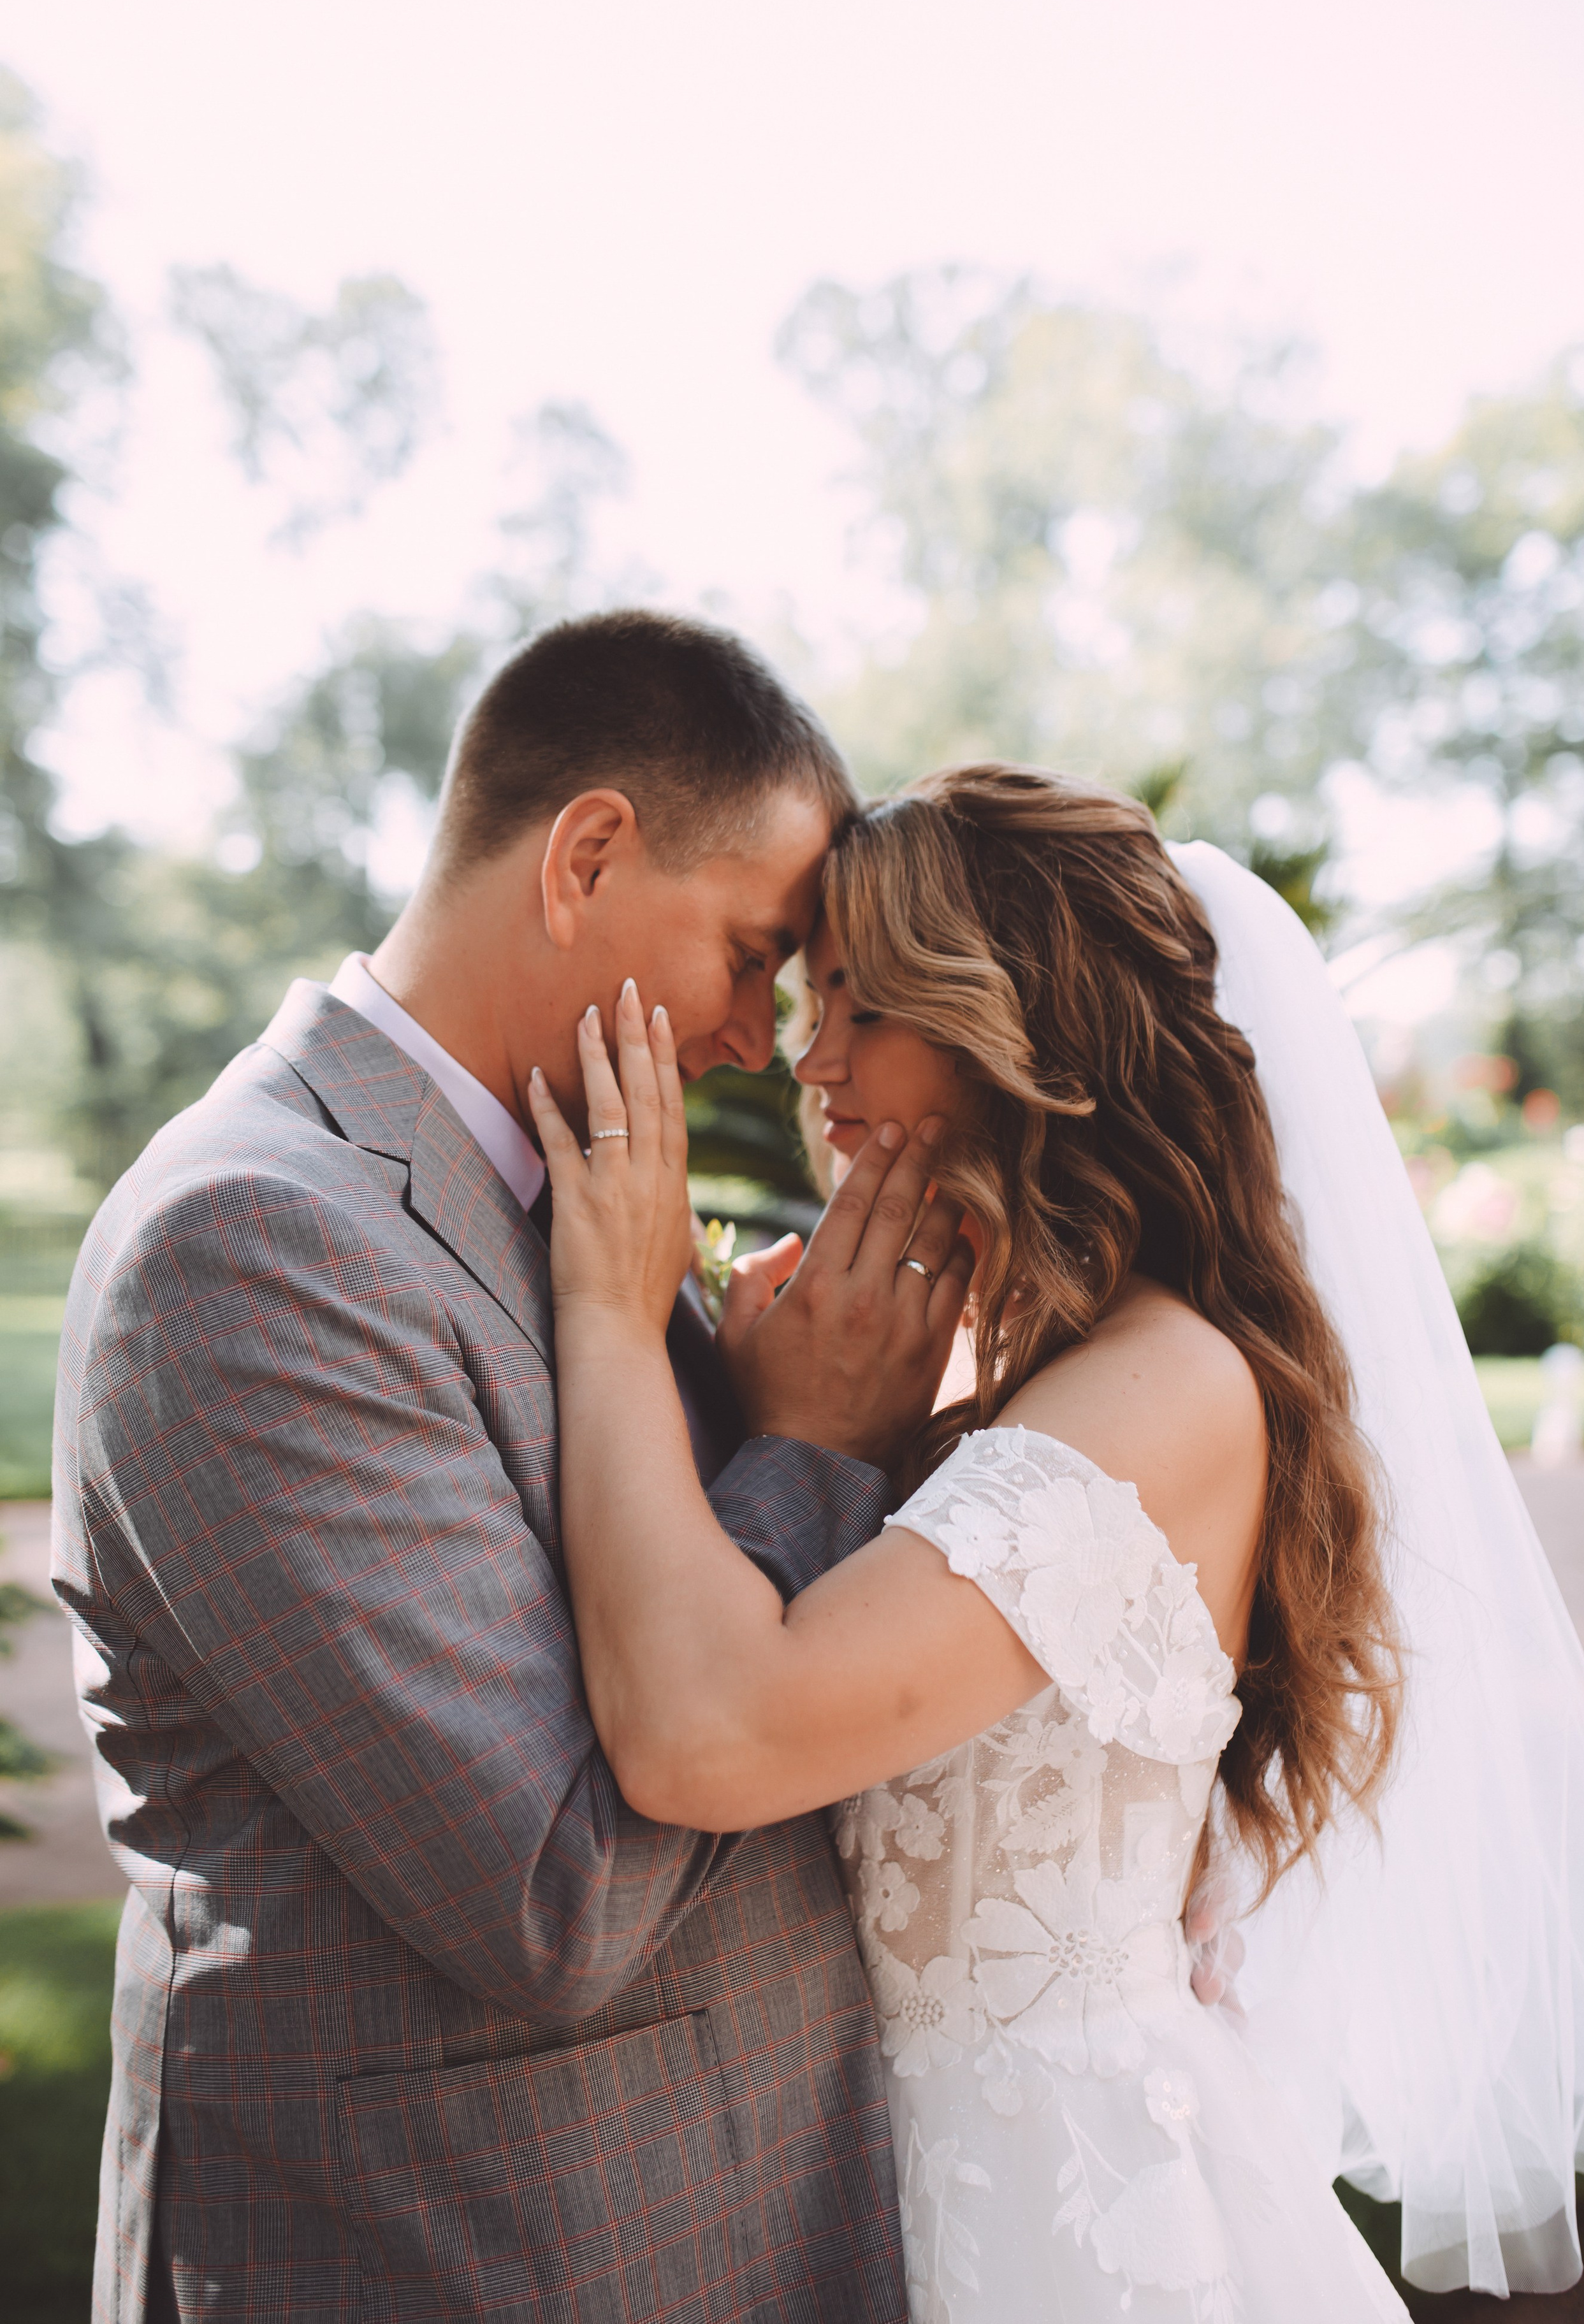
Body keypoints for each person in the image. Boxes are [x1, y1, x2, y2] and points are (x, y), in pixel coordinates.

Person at [528, 761, 1584, 2318]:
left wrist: (608, 1309)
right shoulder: (972, 1373)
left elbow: (711, 1732)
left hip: (1063, 2212)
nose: (810, 1062)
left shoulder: (1166, 1386)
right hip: (860, 2187)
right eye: (814, 1003)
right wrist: (803, 1426)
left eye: (864, 1006)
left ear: (1019, 1029)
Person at [54, 611, 959, 2323]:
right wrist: (812, 1448)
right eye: (751, 955)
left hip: (730, 2214)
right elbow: (559, 1897)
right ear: (587, 857)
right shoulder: (249, 1244)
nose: (760, 1039)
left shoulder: (582, 1189)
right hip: (463, 2251)